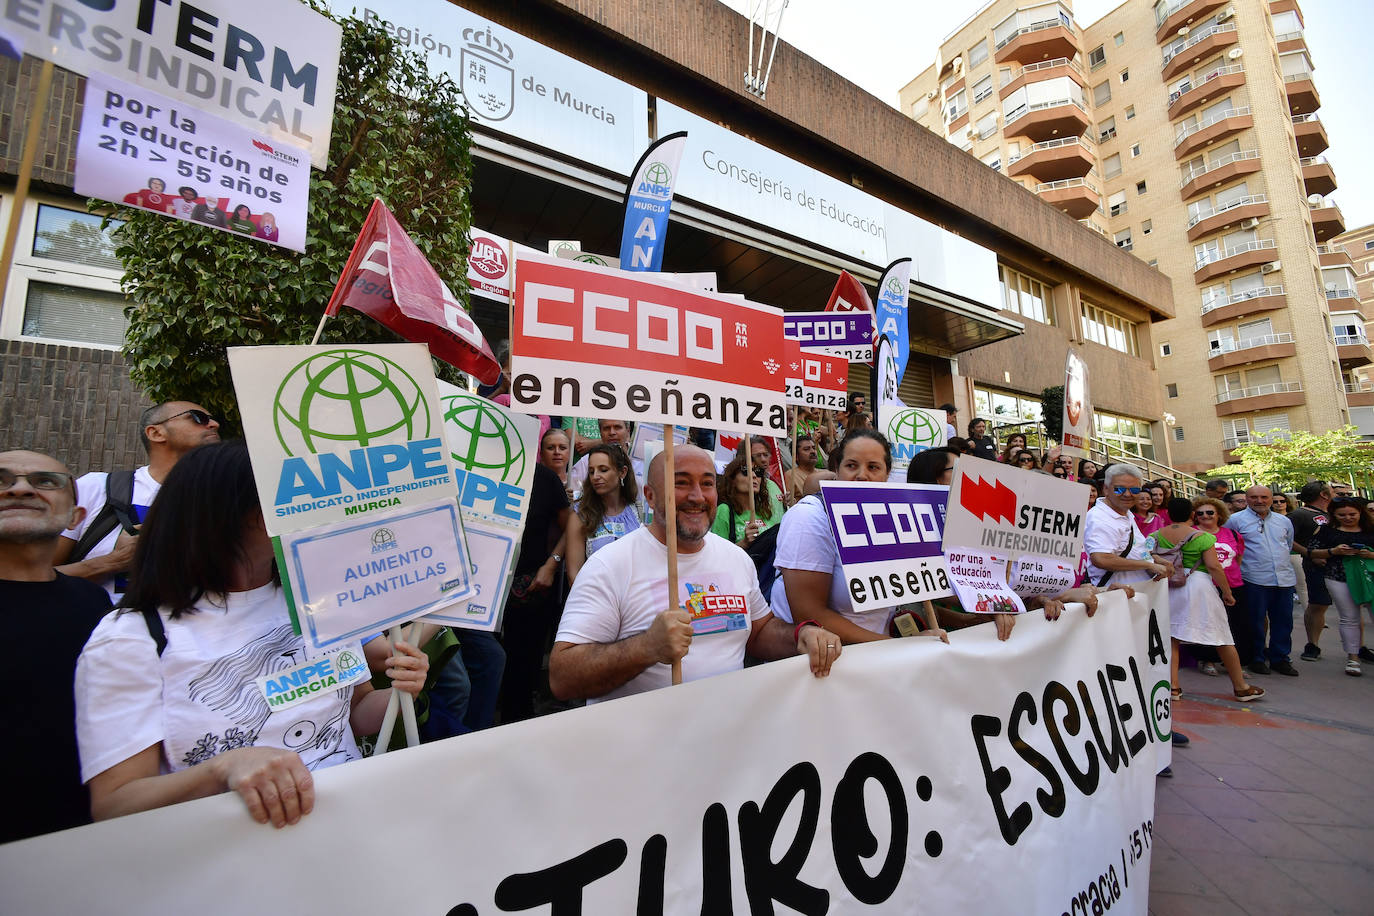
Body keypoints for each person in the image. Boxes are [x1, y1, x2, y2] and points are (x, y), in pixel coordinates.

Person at [74, 442, 428, 828]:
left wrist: (400, 691)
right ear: (220, 512)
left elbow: (354, 716)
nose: (306, 508)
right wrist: (223, 769)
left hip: (348, 831)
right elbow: (115, 805)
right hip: (232, 863)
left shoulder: (319, 602)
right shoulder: (129, 639)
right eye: (283, 495)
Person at [549, 446, 841, 702]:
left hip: (726, 742)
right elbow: (562, 678)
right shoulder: (609, 565)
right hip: (641, 752)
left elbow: (759, 632)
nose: (697, 496)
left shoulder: (735, 558)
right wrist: (646, 648)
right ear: (650, 496)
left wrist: (802, 635)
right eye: (681, 483)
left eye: (707, 483)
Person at [0, 451, 114, 843]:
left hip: (77, 842)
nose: (19, 489)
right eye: (1, 481)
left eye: (45, 481)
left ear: (75, 519)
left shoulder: (95, 605)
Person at [55, 401, 222, 601]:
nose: (214, 424)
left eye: (213, 419)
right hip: (96, 627)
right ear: (156, 433)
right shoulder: (96, 487)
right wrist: (114, 562)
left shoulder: (225, 501)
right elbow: (30, 576)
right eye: (198, 418)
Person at [1152, 498, 1264, 703]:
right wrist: (1227, 592)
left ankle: (1173, 687)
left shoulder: (1156, 535)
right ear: (1192, 514)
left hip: (1167, 585)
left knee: (1172, 637)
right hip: (1198, 585)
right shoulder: (1201, 537)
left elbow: (1147, 556)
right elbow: (1214, 566)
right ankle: (1240, 686)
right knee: (1222, 635)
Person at [499, 462, 571, 721]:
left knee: (525, 658)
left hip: (527, 586)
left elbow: (570, 525)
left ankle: (518, 719)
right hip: (485, 585)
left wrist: (550, 566)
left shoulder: (544, 477)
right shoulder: (478, 470)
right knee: (492, 658)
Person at [1225, 486, 1298, 677]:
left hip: (1283, 579)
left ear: (1271, 498)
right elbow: (1230, 547)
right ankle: (1256, 658)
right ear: (1247, 499)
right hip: (1253, 579)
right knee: (1254, 622)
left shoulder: (1283, 521)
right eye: (1254, 497)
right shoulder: (1235, 521)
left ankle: (1280, 658)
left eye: (1264, 497)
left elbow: (1288, 545)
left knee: (1283, 621)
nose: (1260, 501)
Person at [1305, 497, 1374, 677]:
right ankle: (1353, 657)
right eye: (1342, 515)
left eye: (1352, 514)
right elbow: (1312, 552)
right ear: (1333, 515)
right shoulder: (1327, 531)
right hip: (1338, 577)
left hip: (1370, 577)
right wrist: (1333, 551)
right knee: (1349, 617)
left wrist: (1371, 555)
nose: (1348, 518)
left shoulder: (1371, 528)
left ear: (1361, 513)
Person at [1084, 463, 1173, 588]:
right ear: (1106, 489)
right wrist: (1148, 565)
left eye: (1134, 490)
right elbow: (1101, 558)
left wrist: (1155, 559)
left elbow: (1137, 547)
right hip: (1117, 597)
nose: (1127, 494)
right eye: (1119, 489)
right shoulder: (1099, 517)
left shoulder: (1125, 512)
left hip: (1137, 594)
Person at [566, 444, 640, 582]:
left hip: (635, 598)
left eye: (603, 470)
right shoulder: (580, 516)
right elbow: (573, 576)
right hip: (595, 598)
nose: (596, 476)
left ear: (622, 472)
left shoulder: (638, 510)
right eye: (591, 471)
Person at [1192, 497, 1246, 674]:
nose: (1205, 516)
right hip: (1206, 585)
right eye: (1200, 513)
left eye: (1209, 512)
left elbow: (1237, 558)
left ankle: (1233, 663)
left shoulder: (1231, 534)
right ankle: (1208, 659)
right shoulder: (1191, 533)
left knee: (1235, 623)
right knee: (1207, 624)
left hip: (1233, 583)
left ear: (1219, 515)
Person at [1290, 481, 1332, 662]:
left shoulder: (1336, 513)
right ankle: (1312, 645)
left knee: (1351, 610)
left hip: (1343, 567)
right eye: (1331, 490)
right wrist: (1309, 553)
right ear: (1323, 494)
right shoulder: (1298, 515)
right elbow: (1286, 539)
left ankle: (1358, 647)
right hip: (1316, 566)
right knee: (1318, 605)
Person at [712, 453, 780, 548]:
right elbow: (718, 553)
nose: (753, 475)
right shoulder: (724, 511)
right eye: (746, 471)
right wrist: (744, 543)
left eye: (758, 472)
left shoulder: (765, 510)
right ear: (733, 479)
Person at [568, 418, 640, 499]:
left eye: (617, 427)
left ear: (628, 431)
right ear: (600, 432)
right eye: (606, 428)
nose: (612, 433)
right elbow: (572, 495)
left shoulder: (641, 459)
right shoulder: (586, 462)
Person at [539, 427, 573, 501]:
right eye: (550, 448)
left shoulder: (579, 485)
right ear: (541, 454)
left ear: (570, 453)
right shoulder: (533, 485)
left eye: (562, 448)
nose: (557, 452)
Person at [785, 435, 819, 503]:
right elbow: (788, 502)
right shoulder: (791, 475)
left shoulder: (825, 473)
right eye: (806, 449)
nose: (813, 451)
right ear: (796, 456)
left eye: (814, 448)